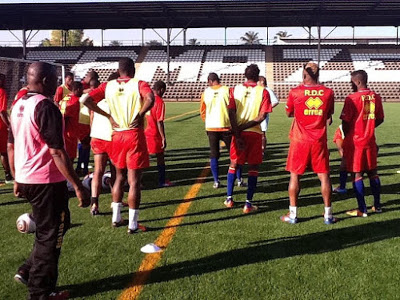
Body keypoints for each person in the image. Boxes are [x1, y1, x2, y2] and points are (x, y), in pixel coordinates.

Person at [8, 62, 90, 300]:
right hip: (45, 181)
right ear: (44, 80)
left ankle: (27, 270)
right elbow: (57, 151)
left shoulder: (19, 105)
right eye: (55, 78)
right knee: (51, 235)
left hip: (27, 178)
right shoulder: (45, 106)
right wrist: (77, 185)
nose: (58, 83)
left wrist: (16, 178)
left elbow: (11, 147)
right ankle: (40, 292)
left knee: (49, 229)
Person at [82, 58, 154, 234]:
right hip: (133, 134)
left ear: (119, 69)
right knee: (134, 181)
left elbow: (85, 99)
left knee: (119, 177)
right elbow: (150, 98)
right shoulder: (139, 83)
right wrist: (141, 113)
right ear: (132, 70)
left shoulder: (108, 85)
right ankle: (133, 225)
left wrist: (107, 115)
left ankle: (116, 218)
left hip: (117, 136)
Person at [282, 62, 335, 225]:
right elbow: (328, 114)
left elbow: (289, 113)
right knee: (324, 175)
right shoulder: (328, 93)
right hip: (318, 140)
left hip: (299, 140)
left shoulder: (295, 92)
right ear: (318, 74)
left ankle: (293, 214)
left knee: (295, 175)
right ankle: (328, 215)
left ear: (304, 75)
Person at [224, 64, 272, 213]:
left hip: (238, 133)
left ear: (245, 75)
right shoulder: (263, 92)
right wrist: (244, 128)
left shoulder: (235, 89)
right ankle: (248, 204)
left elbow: (231, 112)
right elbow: (261, 116)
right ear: (258, 77)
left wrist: (237, 132)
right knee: (253, 168)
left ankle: (229, 199)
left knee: (234, 164)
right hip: (255, 134)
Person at [341, 70, 384, 217]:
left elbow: (345, 123)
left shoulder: (351, 98)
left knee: (357, 174)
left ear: (358, 82)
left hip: (356, 141)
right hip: (370, 140)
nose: (350, 84)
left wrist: (351, 133)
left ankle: (362, 209)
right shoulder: (375, 97)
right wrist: (368, 127)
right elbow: (380, 119)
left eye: (351, 81)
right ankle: (377, 206)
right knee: (373, 172)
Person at [200, 73, 241, 188]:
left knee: (214, 154)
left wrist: (208, 121)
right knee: (234, 154)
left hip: (211, 127)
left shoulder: (205, 93)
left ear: (209, 81)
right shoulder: (228, 90)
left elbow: (202, 111)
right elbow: (234, 108)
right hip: (226, 126)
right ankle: (239, 179)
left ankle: (216, 181)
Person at [89, 72, 119, 216]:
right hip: (111, 138)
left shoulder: (98, 102)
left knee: (98, 171)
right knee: (115, 172)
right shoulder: (117, 101)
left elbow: (92, 116)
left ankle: (94, 203)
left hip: (97, 137)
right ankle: (115, 202)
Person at [145, 80, 172, 187]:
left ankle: (138, 181)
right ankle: (162, 180)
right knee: (160, 157)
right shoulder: (159, 101)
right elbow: (159, 121)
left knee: (143, 157)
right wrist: (163, 137)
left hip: (145, 132)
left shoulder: (146, 98)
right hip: (154, 133)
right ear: (161, 90)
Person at [58, 81, 83, 161]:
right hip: (70, 132)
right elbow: (66, 116)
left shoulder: (65, 98)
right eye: (82, 90)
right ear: (78, 89)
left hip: (64, 131)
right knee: (69, 157)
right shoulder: (75, 101)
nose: (82, 92)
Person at [257, 76, 280, 152]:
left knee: (262, 133)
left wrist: (266, 108)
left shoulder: (268, 90)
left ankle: (262, 150)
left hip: (263, 115)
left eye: (258, 81)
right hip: (257, 114)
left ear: (262, 82)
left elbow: (275, 101)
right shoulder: (259, 90)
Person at [0, 73, 13, 183]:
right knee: (4, 152)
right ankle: (8, 175)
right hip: (0, 126)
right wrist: (9, 125)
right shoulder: (2, 92)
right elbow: (2, 112)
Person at [332, 125, 348, 193]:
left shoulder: (340, 129)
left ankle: (342, 187)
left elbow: (340, 148)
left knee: (344, 167)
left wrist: (344, 159)